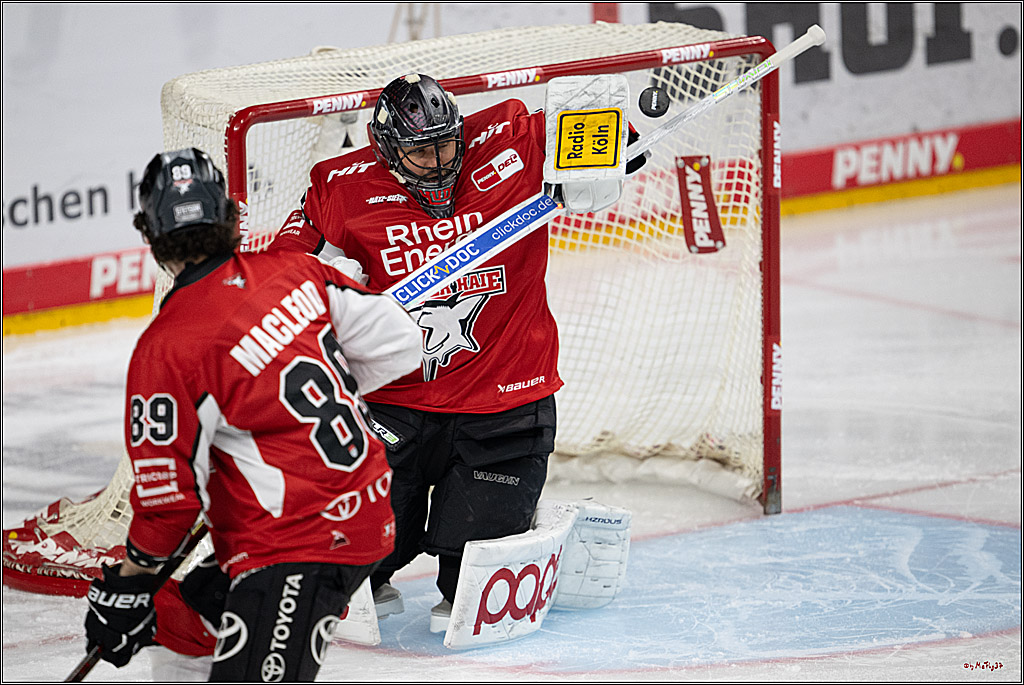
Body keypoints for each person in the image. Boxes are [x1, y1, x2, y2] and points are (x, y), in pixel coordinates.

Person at [81, 147, 422, 680]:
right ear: (229, 216)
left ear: (150, 233)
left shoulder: (166, 348)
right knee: (182, 620)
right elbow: (402, 344)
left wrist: (130, 583)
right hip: (370, 508)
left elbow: (168, 505)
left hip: (300, 543)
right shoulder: (298, 270)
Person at [273, 73, 565, 631]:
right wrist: (325, 280)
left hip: (504, 401)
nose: (437, 163)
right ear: (387, 150)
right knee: (361, 558)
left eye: (445, 145)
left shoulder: (513, 139)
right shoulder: (340, 186)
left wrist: (604, 155)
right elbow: (279, 272)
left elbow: (599, 126)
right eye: (420, 152)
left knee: (473, 583)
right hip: (393, 405)